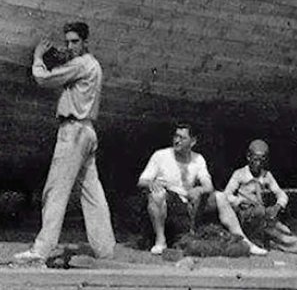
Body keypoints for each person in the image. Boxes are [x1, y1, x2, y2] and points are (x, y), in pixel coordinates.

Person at [14, 22, 116, 261]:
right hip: (88, 131)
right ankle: (105, 249)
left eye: (75, 42)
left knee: (55, 190)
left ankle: (41, 249)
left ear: (86, 42)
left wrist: (38, 57)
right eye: (68, 41)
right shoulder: (94, 64)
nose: (70, 46)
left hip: (73, 132)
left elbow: (44, 78)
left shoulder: (80, 64)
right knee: (92, 193)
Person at [137, 123, 267, 256]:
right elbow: (142, 181)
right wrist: (152, 183)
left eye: (182, 138)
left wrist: (199, 189)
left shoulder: (198, 159)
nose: (177, 141)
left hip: (189, 207)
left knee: (220, 196)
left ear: (192, 142)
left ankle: (246, 242)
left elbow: (208, 185)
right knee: (157, 194)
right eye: (176, 136)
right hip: (169, 205)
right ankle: (160, 241)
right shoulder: (160, 155)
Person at [224, 139, 297, 254]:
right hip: (244, 215)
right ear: (248, 157)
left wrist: (277, 207)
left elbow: (281, 194)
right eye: (255, 159)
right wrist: (240, 201)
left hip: (260, 214)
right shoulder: (239, 174)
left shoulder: (266, 175)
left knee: (277, 225)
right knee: (269, 224)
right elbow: (226, 195)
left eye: (262, 160)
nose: (258, 164)